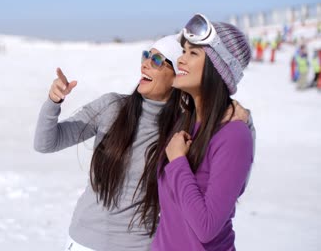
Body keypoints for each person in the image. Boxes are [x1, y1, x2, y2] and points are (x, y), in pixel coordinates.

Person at [34, 34, 252, 250]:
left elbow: (226, 178)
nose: (146, 64)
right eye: (146, 56)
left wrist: (243, 118)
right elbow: (46, 142)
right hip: (82, 241)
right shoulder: (112, 107)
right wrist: (54, 101)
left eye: (157, 60)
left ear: (176, 76)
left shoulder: (182, 129)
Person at [134, 14, 254, 250]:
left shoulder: (233, 136)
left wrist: (178, 161)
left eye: (193, 53)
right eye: (183, 51)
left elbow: (206, 227)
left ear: (218, 69)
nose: (181, 60)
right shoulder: (184, 123)